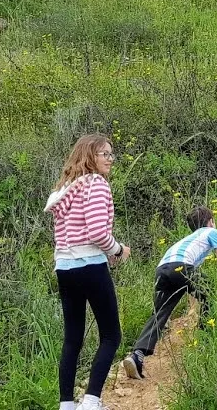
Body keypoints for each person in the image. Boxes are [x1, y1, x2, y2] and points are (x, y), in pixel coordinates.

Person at [46, 134, 130, 410]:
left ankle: (67, 404)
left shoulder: (66, 189)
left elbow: (71, 234)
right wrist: (117, 250)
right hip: (90, 266)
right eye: (104, 154)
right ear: (89, 156)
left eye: (111, 154)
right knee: (111, 335)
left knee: (73, 338)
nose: (110, 159)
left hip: (64, 267)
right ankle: (92, 401)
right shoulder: (96, 184)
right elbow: (96, 231)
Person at [122, 206, 217, 380]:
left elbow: (190, 285)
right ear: (211, 221)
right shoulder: (211, 232)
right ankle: (206, 339)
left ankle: (137, 355)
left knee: (159, 313)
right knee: (212, 292)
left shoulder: (187, 240)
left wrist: (193, 307)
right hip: (182, 266)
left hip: (162, 269)